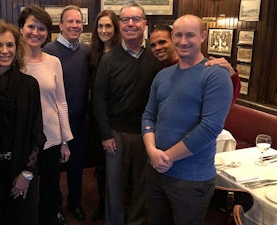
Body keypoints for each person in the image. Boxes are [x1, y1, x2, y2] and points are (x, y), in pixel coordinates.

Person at [141, 14, 233, 225]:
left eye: (190, 35)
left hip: (191, 178)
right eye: (179, 35)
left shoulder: (216, 74)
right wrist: (152, 152)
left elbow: (210, 128)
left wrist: (167, 158)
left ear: (203, 36)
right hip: (156, 171)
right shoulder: (163, 76)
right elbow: (149, 115)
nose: (183, 41)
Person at [93, 2, 164, 225]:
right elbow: (99, 100)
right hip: (116, 134)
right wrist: (105, 135)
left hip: (146, 134)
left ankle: (136, 221)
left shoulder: (155, 61)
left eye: (135, 19)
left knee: (142, 186)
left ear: (144, 24)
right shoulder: (109, 59)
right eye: (125, 20)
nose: (130, 24)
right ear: (120, 24)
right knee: (114, 186)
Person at [0, 19, 46, 225]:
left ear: (17, 48)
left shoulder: (29, 85)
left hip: (22, 166)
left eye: (10, 45)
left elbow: (37, 132)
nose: (4, 50)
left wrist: (27, 174)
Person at [17, 5, 73, 225]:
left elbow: (61, 102)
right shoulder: (12, 61)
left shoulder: (53, 62)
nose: (36, 32)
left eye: (41, 29)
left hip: (51, 137)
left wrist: (65, 141)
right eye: (31, 26)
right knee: (25, 190)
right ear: (21, 28)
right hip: (24, 140)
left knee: (50, 189)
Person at [43, 5, 91, 223]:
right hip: (52, 121)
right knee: (53, 168)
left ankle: (75, 202)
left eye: (78, 22)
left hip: (79, 120)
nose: (74, 25)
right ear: (60, 25)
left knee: (76, 166)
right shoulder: (48, 51)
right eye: (69, 21)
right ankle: (54, 207)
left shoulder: (87, 51)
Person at [149, 24, 240, 103]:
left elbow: (225, 102)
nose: (157, 48)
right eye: (153, 45)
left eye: (162, 42)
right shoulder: (161, 72)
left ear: (174, 41)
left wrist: (231, 74)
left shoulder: (205, 68)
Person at [89, 9, 121, 221]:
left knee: (117, 167)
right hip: (95, 118)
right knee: (101, 165)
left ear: (115, 29)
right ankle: (103, 203)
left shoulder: (122, 54)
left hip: (117, 119)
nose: (103, 30)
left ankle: (117, 205)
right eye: (100, 26)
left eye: (108, 26)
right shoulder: (92, 54)